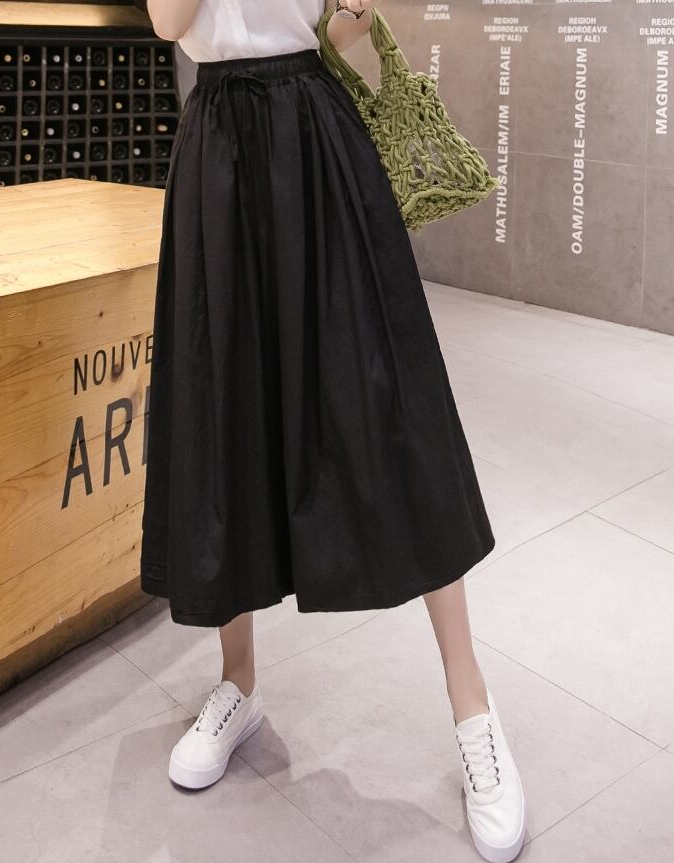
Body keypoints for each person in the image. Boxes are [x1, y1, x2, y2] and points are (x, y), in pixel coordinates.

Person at [140, 1, 526, 860]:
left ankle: (474, 710)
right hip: (219, 143)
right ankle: (238, 684)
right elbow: (169, 21)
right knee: (225, 406)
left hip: (314, 135)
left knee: (393, 405)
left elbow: (335, 29)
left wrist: (350, 15)